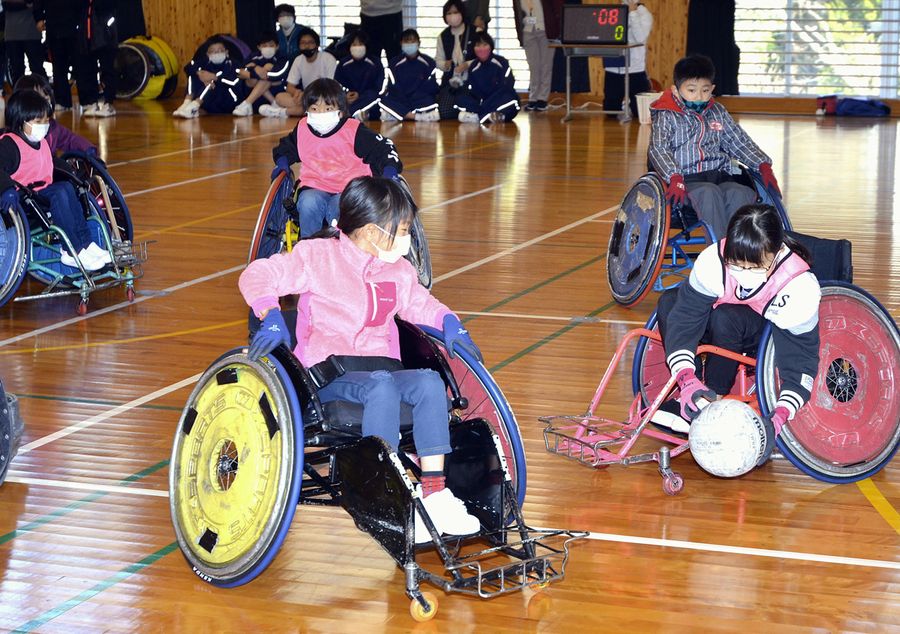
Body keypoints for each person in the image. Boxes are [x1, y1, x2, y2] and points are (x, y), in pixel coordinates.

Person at [240, 176, 482, 542]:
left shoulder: (397, 271)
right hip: (329, 376)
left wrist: (450, 323)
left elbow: (419, 303)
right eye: (401, 231)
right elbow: (259, 274)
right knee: (382, 389)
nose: (407, 239)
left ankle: (435, 494)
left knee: (431, 383)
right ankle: (388, 495)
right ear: (371, 232)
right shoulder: (317, 257)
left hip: (380, 370)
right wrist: (270, 314)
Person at [654, 203, 820, 464]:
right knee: (670, 302)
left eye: (753, 267)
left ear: (775, 255)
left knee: (727, 317)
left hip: (764, 334)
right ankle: (694, 394)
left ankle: (713, 397)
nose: (743, 274)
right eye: (735, 264)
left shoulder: (799, 288)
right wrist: (685, 377)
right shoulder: (713, 260)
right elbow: (685, 316)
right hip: (721, 323)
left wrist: (778, 418)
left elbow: (802, 362)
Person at [649, 54, 780, 240]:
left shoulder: (717, 111)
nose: (699, 97)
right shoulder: (666, 115)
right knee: (709, 193)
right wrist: (674, 176)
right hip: (686, 179)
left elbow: (739, 141)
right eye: (691, 90)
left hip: (719, 175)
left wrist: (763, 165)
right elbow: (659, 148)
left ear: (712, 89)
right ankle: (719, 251)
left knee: (740, 192)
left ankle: (739, 247)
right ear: (676, 90)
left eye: (705, 90)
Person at [270, 78, 402, 237]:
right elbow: (285, 148)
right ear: (306, 110)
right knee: (307, 203)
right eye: (314, 108)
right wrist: (282, 163)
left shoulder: (353, 130)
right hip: (315, 185)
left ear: (339, 110)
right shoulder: (303, 128)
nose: (320, 114)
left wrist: (389, 170)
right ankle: (309, 247)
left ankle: (340, 250)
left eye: (327, 108)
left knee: (337, 208)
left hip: (350, 189)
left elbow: (383, 148)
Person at [0, 90, 111, 270]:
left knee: (67, 187)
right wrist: (6, 188)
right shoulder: (9, 144)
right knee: (59, 192)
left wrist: (75, 176)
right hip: (19, 202)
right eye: (38, 121)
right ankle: (71, 251)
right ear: (22, 121)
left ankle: (85, 244)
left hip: (39, 196)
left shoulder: (41, 142)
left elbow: (53, 162)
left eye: (45, 120)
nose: (44, 125)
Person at [13, 74, 96, 155]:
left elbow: (70, 139)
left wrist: (89, 149)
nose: (43, 104)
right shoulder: (12, 139)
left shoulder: (53, 127)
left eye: (46, 99)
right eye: (37, 100)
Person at [455, 32, 520, 124]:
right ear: (473, 48)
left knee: (511, 101)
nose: (481, 48)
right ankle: (490, 116)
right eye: (478, 45)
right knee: (460, 99)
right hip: (482, 103)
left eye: (485, 45)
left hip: (499, 99)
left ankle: (479, 117)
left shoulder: (502, 62)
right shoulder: (473, 66)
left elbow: (507, 86)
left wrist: (487, 103)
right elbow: (473, 91)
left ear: (491, 46)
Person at [173, 37, 246, 118]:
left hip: (228, 100)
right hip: (211, 99)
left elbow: (234, 82)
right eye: (213, 51)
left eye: (220, 50)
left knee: (211, 82)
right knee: (194, 75)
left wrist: (215, 78)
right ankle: (186, 103)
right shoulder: (205, 61)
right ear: (208, 54)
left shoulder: (234, 64)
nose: (217, 53)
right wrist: (199, 73)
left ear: (226, 52)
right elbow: (188, 67)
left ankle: (194, 106)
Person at [603, 1, 652, 117]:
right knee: (610, 112)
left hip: (635, 70)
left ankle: (630, 106)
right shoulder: (613, 13)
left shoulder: (644, 15)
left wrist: (633, 13)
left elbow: (640, 38)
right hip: (614, 68)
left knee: (639, 113)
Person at [379, 29, 440, 122]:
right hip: (401, 98)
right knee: (384, 100)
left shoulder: (429, 62)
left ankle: (399, 114)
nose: (410, 44)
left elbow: (432, 85)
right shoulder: (394, 62)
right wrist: (403, 97)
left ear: (419, 43)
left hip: (420, 98)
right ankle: (415, 116)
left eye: (412, 41)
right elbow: (392, 85)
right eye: (406, 41)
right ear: (401, 43)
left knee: (430, 100)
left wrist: (415, 96)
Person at [276, 28, 338, 118]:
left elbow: (330, 88)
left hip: (324, 97)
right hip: (305, 99)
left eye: (310, 43)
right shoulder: (298, 60)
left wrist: (306, 95)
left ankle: (282, 112)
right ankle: (297, 110)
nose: (307, 46)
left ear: (317, 44)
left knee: (314, 106)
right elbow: (289, 86)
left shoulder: (328, 59)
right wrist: (296, 93)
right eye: (303, 43)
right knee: (279, 97)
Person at [513, 0, 561, 112]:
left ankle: (542, 99)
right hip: (527, 31)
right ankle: (533, 98)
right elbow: (517, 15)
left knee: (546, 65)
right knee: (533, 66)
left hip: (546, 30)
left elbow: (557, 9)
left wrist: (558, 30)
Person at [34, 0, 79, 111]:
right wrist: (39, 18)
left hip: (75, 25)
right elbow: (38, 3)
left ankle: (88, 100)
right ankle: (62, 101)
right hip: (54, 26)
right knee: (58, 66)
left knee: (80, 64)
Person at [75, 0, 118, 117]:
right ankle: (92, 102)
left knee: (107, 70)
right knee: (88, 70)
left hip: (105, 37)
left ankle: (108, 103)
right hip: (87, 38)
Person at [234, 31, 291, 117]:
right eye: (264, 45)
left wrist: (252, 73)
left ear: (277, 46)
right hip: (256, 91)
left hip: (278, 90)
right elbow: (240, 71)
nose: (268, 48)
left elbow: (279, 75)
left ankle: (247, 103)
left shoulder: (282, 58)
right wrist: (255, 68)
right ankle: (274, 103)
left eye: (271, 45)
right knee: (253, 80)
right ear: (259, 47)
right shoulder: (253, 56)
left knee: (266, 74)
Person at [434, 0, 475, 120]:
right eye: (449, 13)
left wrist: (467, 64)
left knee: (471, 103)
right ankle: (461, 114)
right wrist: (445, 65)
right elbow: (437, 60)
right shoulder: (443, 36)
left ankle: (466, 110)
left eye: (456, 12)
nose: (453, 16)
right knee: (444, 111)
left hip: (471, 81)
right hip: (450, 82)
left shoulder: (475, 32)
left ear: (462, 13)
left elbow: (483, 58)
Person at [334, 30, 384, 122]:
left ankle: (350, 113)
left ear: (366, 46)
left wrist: (359, 95)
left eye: (360, 44)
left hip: (368, 99)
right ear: (349, 46)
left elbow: (378, 87)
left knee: (374, 97)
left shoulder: (375, 62)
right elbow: (337, 84)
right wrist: (346, 95)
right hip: (348, 99)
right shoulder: (343, 63)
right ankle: (356, 113)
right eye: (354, 44)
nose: (357, 47)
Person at [2, 0, 45, 87]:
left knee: (37, 69)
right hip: (12, 33)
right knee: (16, 70)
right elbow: (6, 4)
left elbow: (37, 3)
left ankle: (43, 96)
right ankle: (18, 97)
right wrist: (26, 3)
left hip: (31, 32)